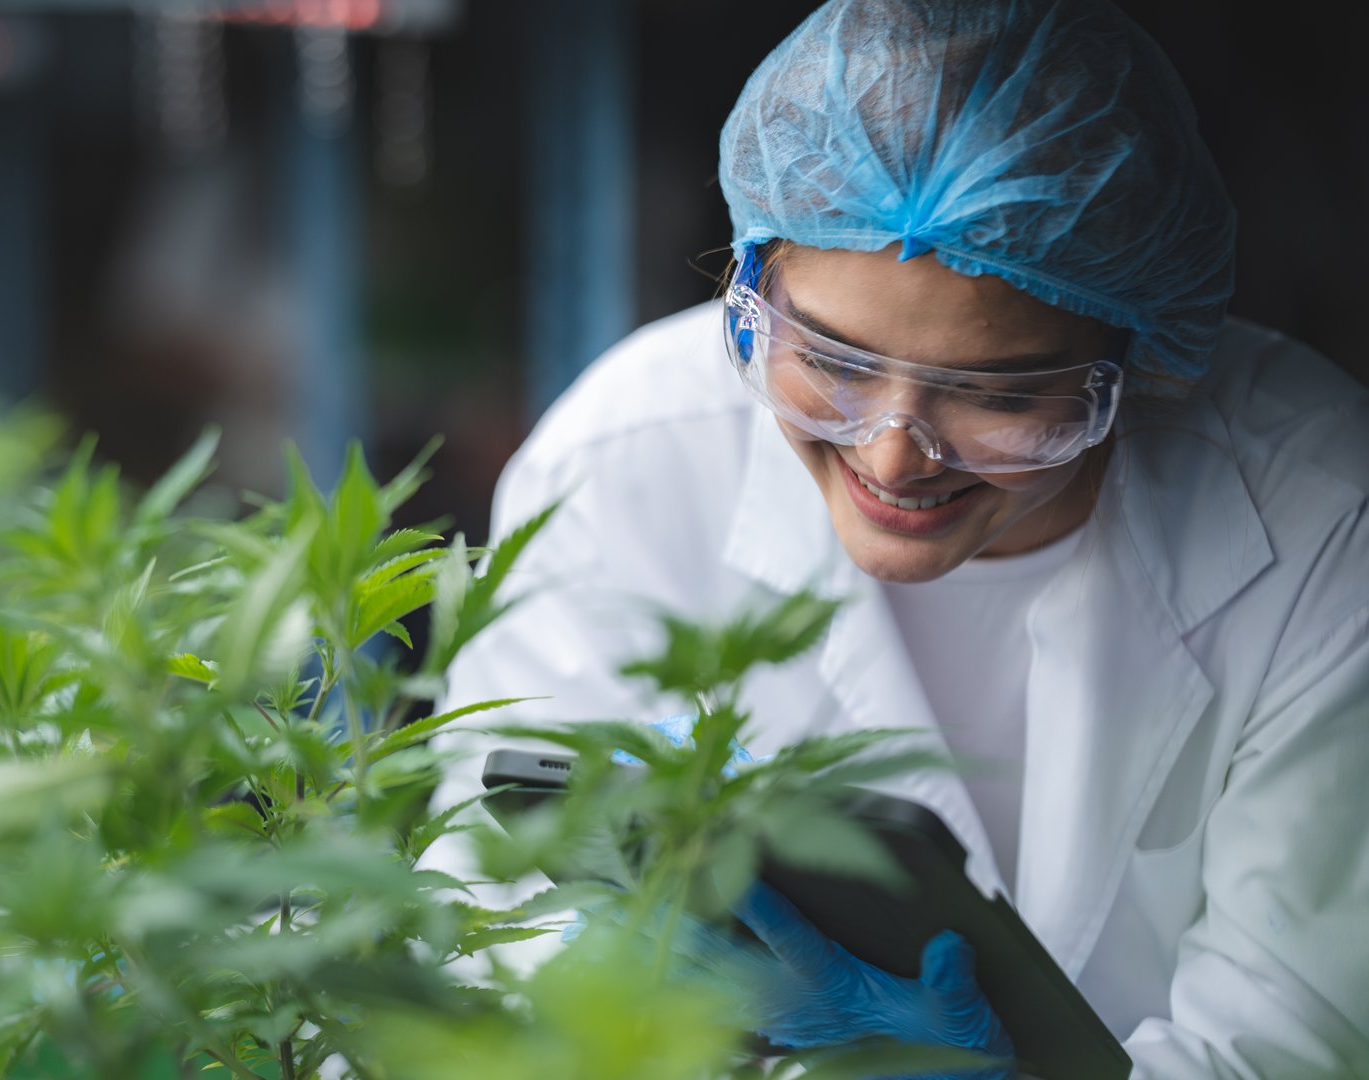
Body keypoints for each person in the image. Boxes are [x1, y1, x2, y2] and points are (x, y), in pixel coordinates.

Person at [429, 0, 1369, 1076]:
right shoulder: (630, 457)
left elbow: (1292, 1040)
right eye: (828, 360)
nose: (891, 458)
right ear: (754, 284)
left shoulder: (1324, 521)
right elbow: (481, 916)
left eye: (994, 395)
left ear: (1141, 360)